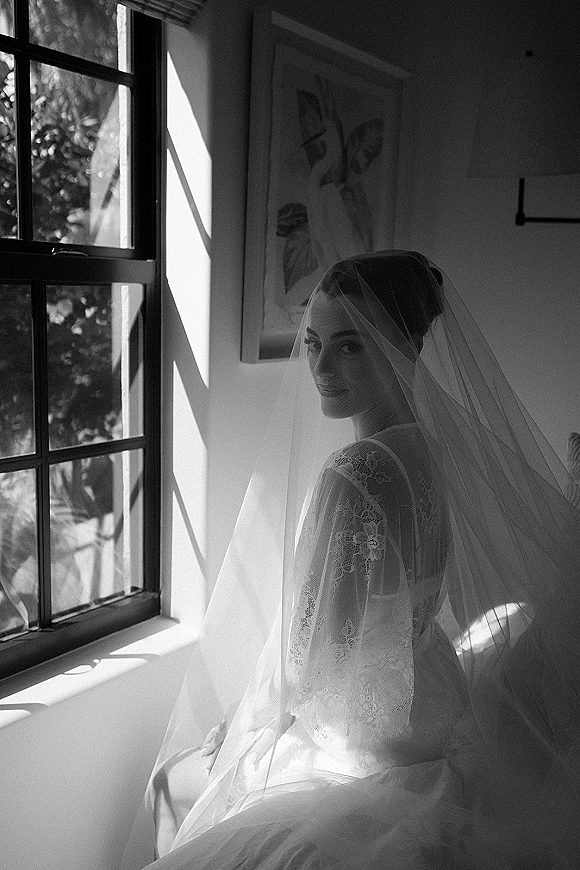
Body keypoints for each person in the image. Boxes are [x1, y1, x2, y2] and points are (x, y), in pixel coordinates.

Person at [124, 251, 580, 870]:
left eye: (349, 347)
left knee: (176, 786)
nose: (320, 367)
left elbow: (317, 653)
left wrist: (243, 722)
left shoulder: (355, 474)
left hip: (372, 732)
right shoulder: (431, 446)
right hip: (436, 695)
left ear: (399, 347)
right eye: (312, 343)